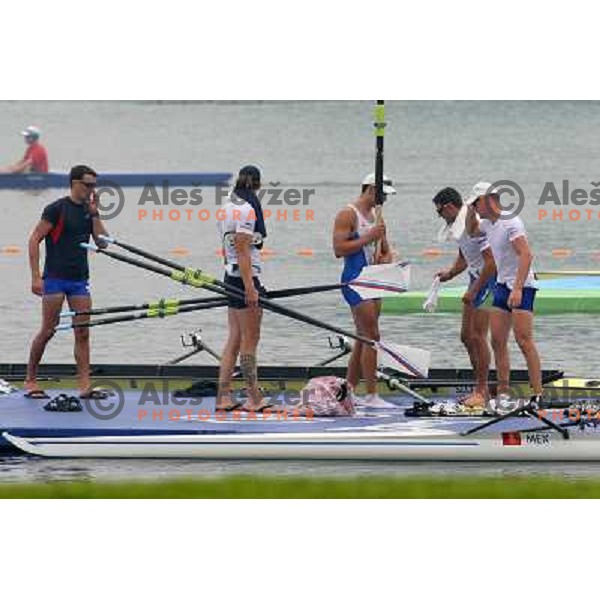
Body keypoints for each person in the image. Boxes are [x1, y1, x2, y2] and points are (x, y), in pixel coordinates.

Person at [24, 165, 108, 398]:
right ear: (74, 183)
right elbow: (34, 239)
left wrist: (95, 214)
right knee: (48, 330)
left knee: (82, 332)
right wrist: (35, 276)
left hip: (79, 280)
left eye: (94, 185)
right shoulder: (56, 209)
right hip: (54, 279)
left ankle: (83, 386)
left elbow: (103, 244)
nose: (92, 190)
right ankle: (30, 380)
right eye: (88, 185)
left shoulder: (88, 211)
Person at [465, 181, 542, 406]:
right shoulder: (488, 223)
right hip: (501, 285)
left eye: (476, 203)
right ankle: (504, 391)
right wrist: (471, 210)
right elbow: (470, 231)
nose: (475, 208)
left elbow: (526, 255)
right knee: (497, 340)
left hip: (522, 286)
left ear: (488, 200)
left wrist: (517, 288)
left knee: (523, 340)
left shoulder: (511, 221)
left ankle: (537, 394)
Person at [332, 172, 395, 408]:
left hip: (374, 279)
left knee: (361, 338)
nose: (385, 201)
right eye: (382, 196)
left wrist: (387, 257)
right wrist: (368, 236)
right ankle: (371, 395)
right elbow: (339, 248)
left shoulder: (377, 216)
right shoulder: (348, 214)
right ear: (370, 190)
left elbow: (385, 249)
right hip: (354, 279)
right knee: (372, 337)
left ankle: (347, 391)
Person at [432, 187, 496, 408]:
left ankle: (482, 390)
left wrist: (474, 289)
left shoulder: (474, 221)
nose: (439, 216)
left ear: (449, 207)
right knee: (466, 336)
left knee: (478, 336)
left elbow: (491, 262)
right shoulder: (458, 225)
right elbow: (464, 255)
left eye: (439, 212)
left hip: (489, 279)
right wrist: (449, 273)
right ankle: (481, 388)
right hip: (475, 277)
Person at [216, 165, 271, 412]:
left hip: (230, 277)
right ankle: (254, 398)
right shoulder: (247, 210)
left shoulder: (225, 206)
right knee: (251, 340)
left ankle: (223, 397)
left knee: (235, 339)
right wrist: (250, 288)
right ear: (257, 185)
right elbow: (242, 249)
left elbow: (227, 248)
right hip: (244, 279)